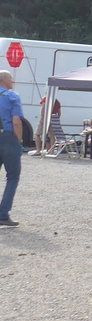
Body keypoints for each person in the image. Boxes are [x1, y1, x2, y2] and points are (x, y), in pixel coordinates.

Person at [0, 70, 25, 227]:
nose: (13, 82)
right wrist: (19, 140)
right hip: (7, 136)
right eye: (11, 79)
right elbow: (16, 121)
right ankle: (3, 214)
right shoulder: (11, 96)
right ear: (3, 80)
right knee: (13, 176)